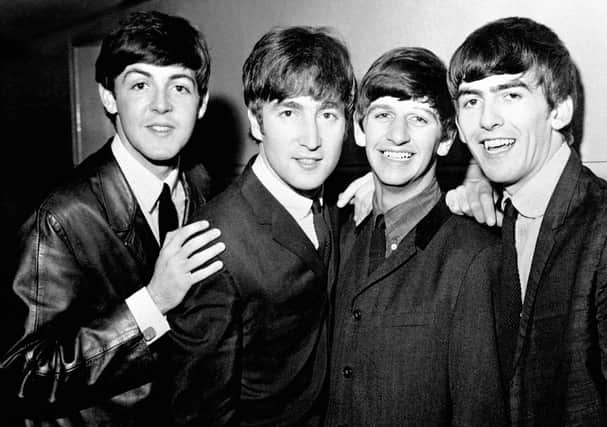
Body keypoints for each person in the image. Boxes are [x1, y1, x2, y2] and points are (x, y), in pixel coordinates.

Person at [0, 11, 225, 426]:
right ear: (108, 97)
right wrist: (152, 302)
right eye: (140, 84)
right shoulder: (60, 218)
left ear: (202, 103)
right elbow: (23, 376)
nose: (162, 105)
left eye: (180, 86)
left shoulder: (205, 185)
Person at [446, 16, 607, 425]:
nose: (487, 120)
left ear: (560, 109)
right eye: (471, 101)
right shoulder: (495, 220)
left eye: (511, 95)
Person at [161, 26, 356, 426]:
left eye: (328, 114)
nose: (312, 138)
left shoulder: (338, 204)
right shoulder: (213, 242)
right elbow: (200, 413)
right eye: (289, 112)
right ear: (256, 120)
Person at [324, 47, 506, 426]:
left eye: (419, 119)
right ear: (359, 129)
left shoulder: (474, 256)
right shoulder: (340, 233)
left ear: (445, 139)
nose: (397, 135)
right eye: (383, 115)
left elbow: (480, 412)